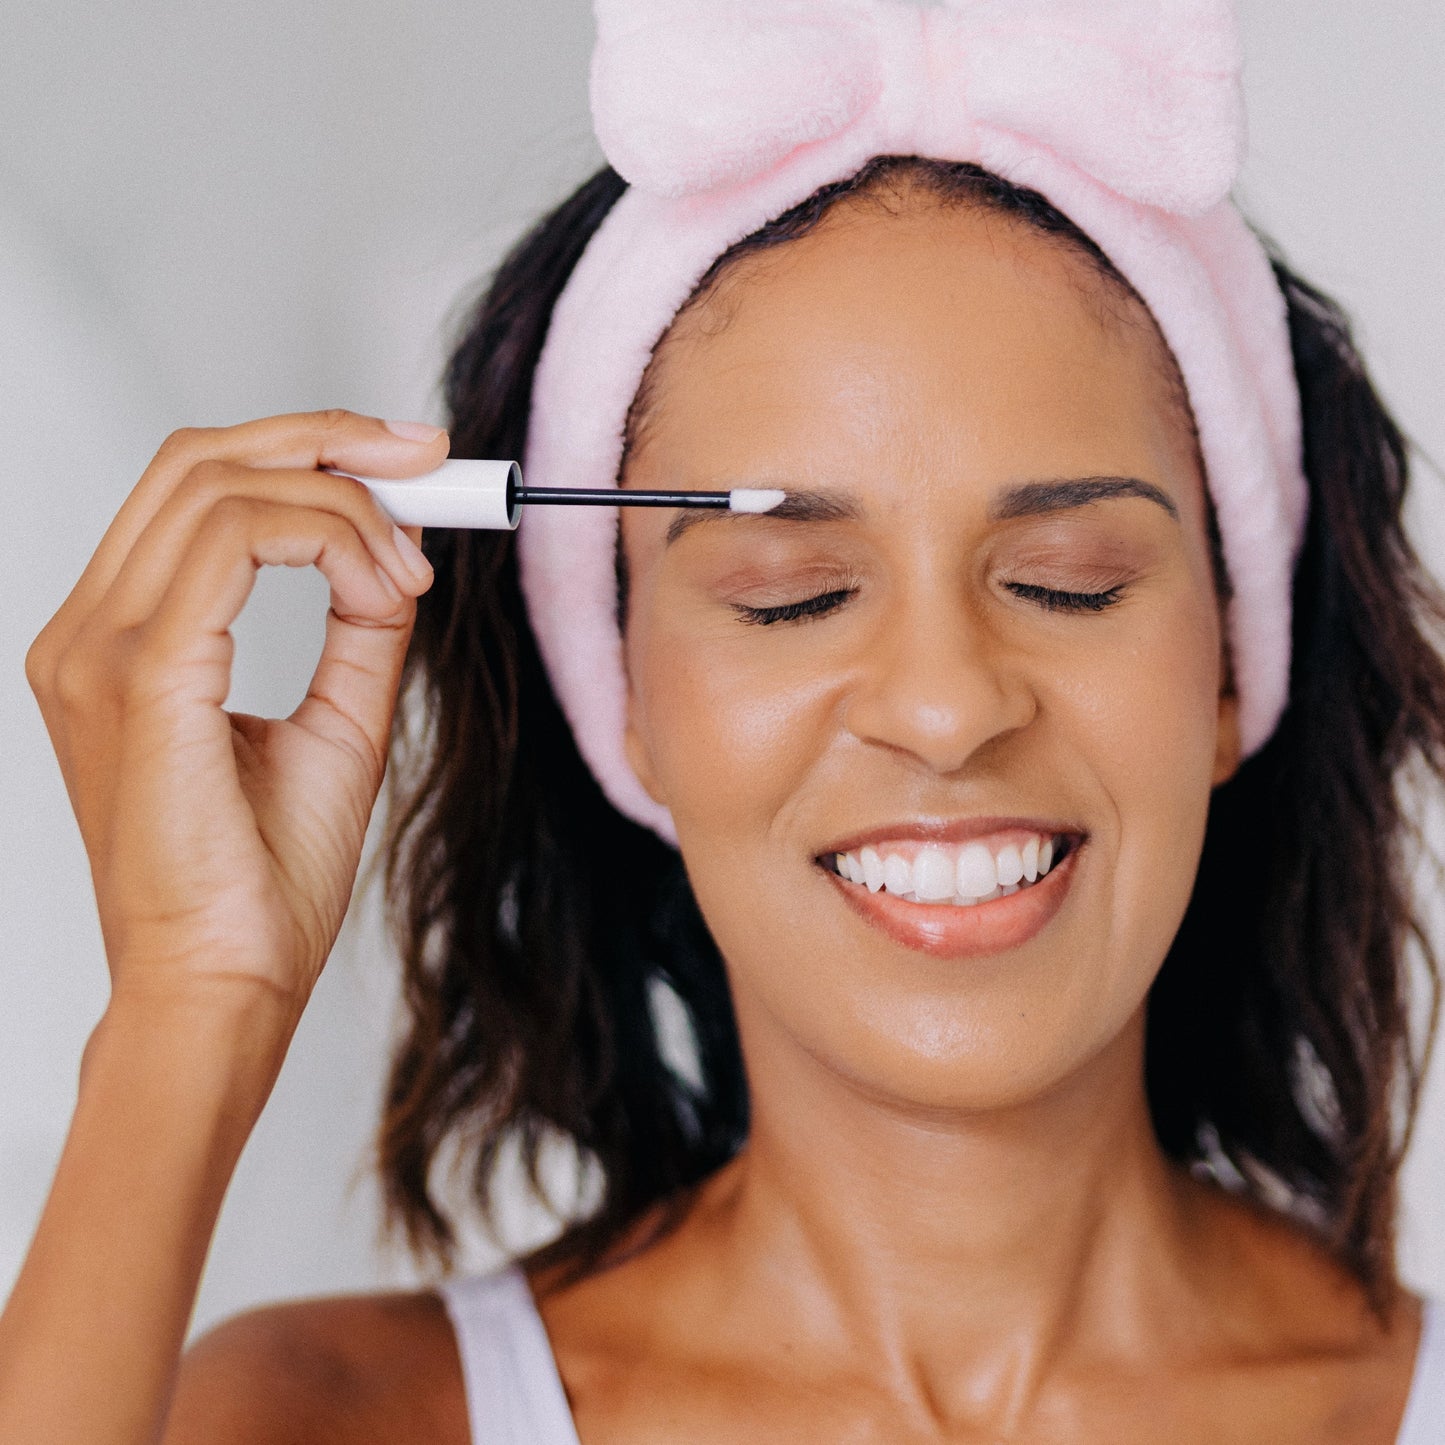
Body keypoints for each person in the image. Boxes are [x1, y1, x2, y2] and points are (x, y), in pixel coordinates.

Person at [3, 1, 1444, 1441]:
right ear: (623, 702)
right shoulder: (322, 1416)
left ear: (1229, 663)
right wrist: (190, 1003)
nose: (944, 707)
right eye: (793, 596)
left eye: (1065, 583)